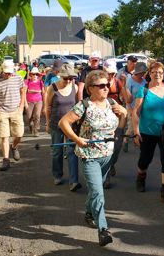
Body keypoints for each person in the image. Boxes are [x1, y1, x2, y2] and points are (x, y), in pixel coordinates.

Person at [58, 70, 128, 247]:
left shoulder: (112, 102)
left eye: (107, 85)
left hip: (107, 155)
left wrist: (124, 115)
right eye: (101, 86)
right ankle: (103, 229)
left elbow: (117, 129)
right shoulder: (84, 106)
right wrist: (77, 139)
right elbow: (63, 123)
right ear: (90, 88)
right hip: (89, 156)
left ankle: (89, 213)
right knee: (98, 192)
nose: (106, 88)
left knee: (94, 190)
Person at [132, 62, 164, 202]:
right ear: (149, 73)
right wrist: (136, 131)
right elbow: (136, 112)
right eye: (154, 72)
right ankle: (141, 177)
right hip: (147, 131)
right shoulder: (143, 90)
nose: (157, 75)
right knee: (145, 159)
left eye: (160, 72)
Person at [45, 64, 81, 191]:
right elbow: (47, 107)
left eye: (71, 78)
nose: (69, 81)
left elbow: (77, 106)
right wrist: (48, 123)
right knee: (57, 152)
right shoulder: (52, 88)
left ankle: (74, 180)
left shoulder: (75, 87)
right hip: (56, 124)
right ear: (60, 76)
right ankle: (57, 175)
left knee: (72, 151)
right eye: (66, 78)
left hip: (71, 125)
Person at [0, 61, 26, 171]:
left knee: (19, 134)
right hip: (2, 111)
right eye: (6, 73)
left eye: (10, 73)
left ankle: (14, 147)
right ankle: (6, 160)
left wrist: (22, 106)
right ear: (2, 70)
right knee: (4, 136)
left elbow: (23, 90)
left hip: (16, 110)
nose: (8, 75)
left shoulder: (18, 78)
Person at [102, 59, 125, 188]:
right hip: (102, 118)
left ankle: (111, 164)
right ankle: (107, 176)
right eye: (108, 73)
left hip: (116, 118)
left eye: (113, 73)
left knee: (117, 147)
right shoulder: (97, 81)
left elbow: (127, 98)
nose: (111, 76)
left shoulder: (118, 82)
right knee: (105, 147)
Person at [124, 62, 148, 151]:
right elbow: (127, 96)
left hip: (141, 107)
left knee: (139, 125)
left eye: (143, 72)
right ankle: (125, 140)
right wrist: (129, 107)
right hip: (131, 106)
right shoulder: (130, 81)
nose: (142, 74)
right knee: (131, 126)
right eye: (141, 72)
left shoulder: (145, 81)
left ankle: (136, 140)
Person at [25, 67, 45, 136]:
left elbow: (43, 92)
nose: (35, 76)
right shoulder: (27, 81)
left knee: (37, 115)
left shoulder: (40, 82)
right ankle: (30, 125)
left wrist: (44, 104)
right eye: (33, 74)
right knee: (29, 116)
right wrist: (24, 102)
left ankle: (36, 130)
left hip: (38, 101)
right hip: (29, 101)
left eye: (36, 74)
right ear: (31, 75)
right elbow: (25, 91)